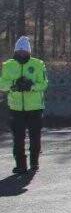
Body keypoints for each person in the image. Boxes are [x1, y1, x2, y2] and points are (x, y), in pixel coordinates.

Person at [0, 36, 48, 174]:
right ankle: (20, 165)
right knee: (18, 138)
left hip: (35, 107)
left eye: (24, 51)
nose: (22, 54)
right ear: (15, 52)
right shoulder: (8, 65)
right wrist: (14, 85)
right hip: (16, 108)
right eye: (19, 51)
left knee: (35, 136)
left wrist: (31, 86)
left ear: (29, 52)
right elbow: (2, 84)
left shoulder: (38, 64)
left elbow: (44, 84)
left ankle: (34, 162)